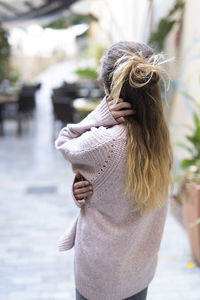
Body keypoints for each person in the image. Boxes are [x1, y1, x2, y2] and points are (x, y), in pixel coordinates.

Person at [55, 41, 173, 300]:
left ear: (108, 89)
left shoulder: (103, 144)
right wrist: (84, 191)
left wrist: (99, 115)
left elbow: (64, 140)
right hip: (139, 270)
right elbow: (113, 188)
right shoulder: (160, 140)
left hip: (99, 278)